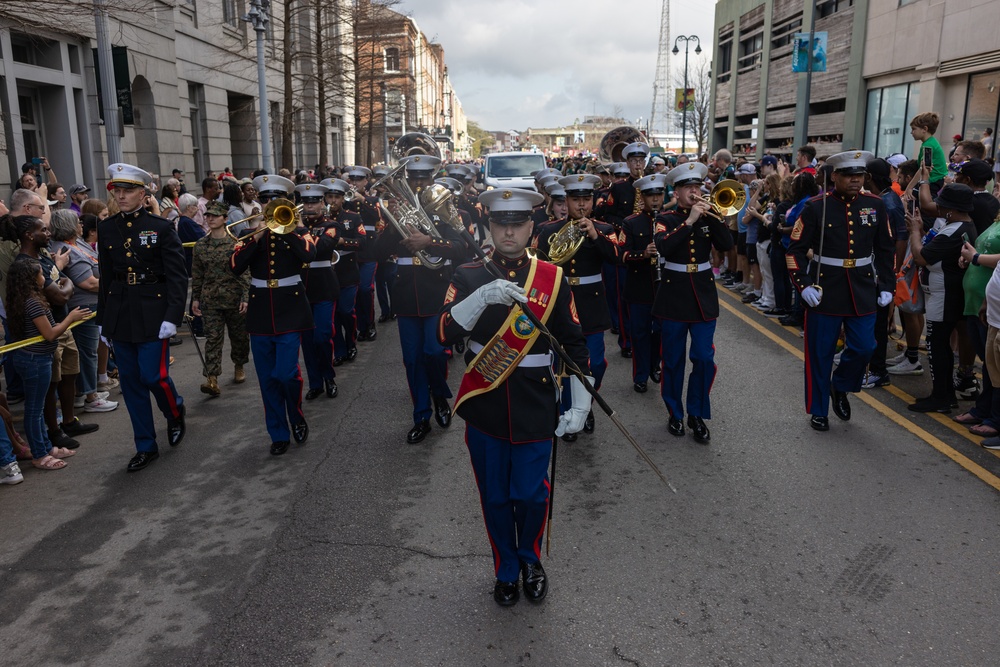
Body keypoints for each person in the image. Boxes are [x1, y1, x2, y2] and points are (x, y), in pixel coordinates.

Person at [438, 187, 590, 607]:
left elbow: (573, 342)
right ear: (489, 225)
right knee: (496, 497)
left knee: (530, 494)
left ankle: (531, 559)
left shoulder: (552, 278)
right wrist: (479, 299)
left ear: (530, 227)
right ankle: (506, 568)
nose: (509, 231)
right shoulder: (469, 275)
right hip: (485, 402)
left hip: (536, 401)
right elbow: (443, 333)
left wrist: (580, 401)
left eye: (517, 223)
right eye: (500, 223)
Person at [786, 151, 896, 431]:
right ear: (834, 176)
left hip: (861, 287)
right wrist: (804, 285)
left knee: (864, 347)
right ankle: (819, 409)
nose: (856, 180)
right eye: (849, 175)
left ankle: (841, 385)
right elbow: (795, 251)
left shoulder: (875, 204)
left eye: (860, 175)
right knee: (820, 354)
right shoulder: (815, 207)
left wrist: (886, 284)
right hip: (826, 287)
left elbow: (885, 249)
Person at [97, 163, 188, 472]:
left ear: (142, 193)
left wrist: (173, 315)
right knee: (133, 383)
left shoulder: (160, 227)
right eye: (116, 191)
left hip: (153, 309)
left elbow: (177, 276)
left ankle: (174, 410)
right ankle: (145, 446)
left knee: (153, 376)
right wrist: (103, 320)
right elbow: (107, 277)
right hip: (121, 311)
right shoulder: (108, 228)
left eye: (127, 191)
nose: (120, 197)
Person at [373, 154, 465, 444]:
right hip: (406, 296)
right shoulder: (395, 213)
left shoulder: (443, 209)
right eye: (413, 180)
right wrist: (392, 223)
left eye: (423, 180)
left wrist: (430, 242)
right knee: (412, 360)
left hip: (436, 291)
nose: (418, 185)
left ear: (432, 180)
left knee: (434, 353)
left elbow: (464, 249)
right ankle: (421, 416)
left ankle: (439, 394)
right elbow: (375, 252)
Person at [230, 174, 316, 456]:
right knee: (267, 379)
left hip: (290, 310)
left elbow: (308, 256)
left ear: (287, 203)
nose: (269, 206)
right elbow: (234, 266)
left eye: (275, 201)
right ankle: (278, 433)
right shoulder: (249, 235)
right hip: (260, 313)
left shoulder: (298, 232)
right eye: (265, 200)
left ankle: (296, 415)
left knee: (286, 374)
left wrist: (288, 229)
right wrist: (256, 234)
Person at [654, 162, 734, 443]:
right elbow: (664, 247)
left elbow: (726, 245)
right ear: (676, 192)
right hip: (673, 297)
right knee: (673, 360)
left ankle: (696, 413)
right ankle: (675, 413)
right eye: (688, 188)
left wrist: (714, 217)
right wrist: (689, 222)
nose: (694, 192)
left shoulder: (708, 217)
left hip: (702, 296)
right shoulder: (666, 219)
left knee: (703, 358)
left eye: (697, 187)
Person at [535, 174, 618, 440]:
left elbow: (618, 258)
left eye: (586, 199)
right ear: (566, 201)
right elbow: (540, 266)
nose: (581, 205)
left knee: (595, 363)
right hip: (560, 301)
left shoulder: (604, 229)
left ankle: (585, 404)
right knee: (562, 362)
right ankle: (569, 411)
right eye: (575, 200)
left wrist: (595, 235)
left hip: (590, 302)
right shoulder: (549, 230)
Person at [5, 257, 89, 471]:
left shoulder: (24, 299)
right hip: (35, 361)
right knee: (34, 411)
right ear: (30, 280)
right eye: (40, 274)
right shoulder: (33, 303)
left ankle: (45, 447)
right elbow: (50, 334)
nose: (44, 277)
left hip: (33, 359)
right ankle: (40, 454)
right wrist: (70, 317)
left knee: (39, 408)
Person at [905, 184, 978, 413]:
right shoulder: (959, 225)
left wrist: (915, 232)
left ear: (950, 209)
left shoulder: (953, 230)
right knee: (940, 345)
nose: (937, 207)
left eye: (941, 204)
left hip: (944, 294)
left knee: (937, 345)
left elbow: (921, 257)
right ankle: (944, 395)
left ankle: (941, 398)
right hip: (944, 292)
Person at [49, 210, 117, 413]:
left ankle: (83, 392)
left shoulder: (77, 243)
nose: (81, 225)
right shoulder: (65, 249)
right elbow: (87, 282)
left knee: (88, 350)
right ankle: (90, 396)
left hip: (92, 305)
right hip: (84, 307)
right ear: (69, 226)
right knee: (88, 352)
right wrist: (115, 284)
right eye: (77, 222)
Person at [191, 200, 250, 397]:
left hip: (233, 298)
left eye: (215, 216)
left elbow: (244, 273)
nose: (210, 219)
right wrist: (195, 298)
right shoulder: (200, 246)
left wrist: (245, 296)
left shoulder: (235, 244)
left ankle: (239, 364)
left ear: (225, 219)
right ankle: (212, 378)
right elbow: (197, 274)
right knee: (213, 339)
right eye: (208, 215)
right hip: (210, 299)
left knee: (239, 336)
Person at [620, 173, 666, 393]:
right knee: (639, 333)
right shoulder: (631, 222)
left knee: (659, 330)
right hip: (638, 287)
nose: (655, 200)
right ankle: (640, 375)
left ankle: (654, 364)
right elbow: (621, 254)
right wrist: (642, 254)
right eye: (650, 196)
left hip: (663, 287)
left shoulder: (670, 220)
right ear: (643, 198)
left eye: (658, 194)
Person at [296, 182, 342, 400]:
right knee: (306, 340)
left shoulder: (331, 225)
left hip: (323, 286)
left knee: (322, 336)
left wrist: (301, 230)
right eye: (306, 202)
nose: (309, 206)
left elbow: (320, 248)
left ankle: (328, 376)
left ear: (322, 203)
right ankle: (315, 382)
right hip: (301, 289)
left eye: (314, 202)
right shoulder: (291, 226)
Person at [322, 178, 368, 365]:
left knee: (346, 311)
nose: (332, 201)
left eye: (336, 197)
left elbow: (363, 241)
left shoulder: (352, 217)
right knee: (333, 316)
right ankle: (339, 350)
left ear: (343, 199)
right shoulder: (321, 220)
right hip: (326, 273)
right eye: (329, 197)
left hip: (347, 271)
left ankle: (351, 342)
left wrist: (342, 242)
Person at [339, 166, 382, 342]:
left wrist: (363, 199)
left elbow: (378, 216)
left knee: (365, 289)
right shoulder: (345, 200)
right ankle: (356, 328)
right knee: (353, 292)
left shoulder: (373, 199)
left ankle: (369, 325)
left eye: (359, 180)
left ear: (366, 181)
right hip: (350, 251)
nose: (355, 183)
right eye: (353, 180)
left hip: (369, 250)